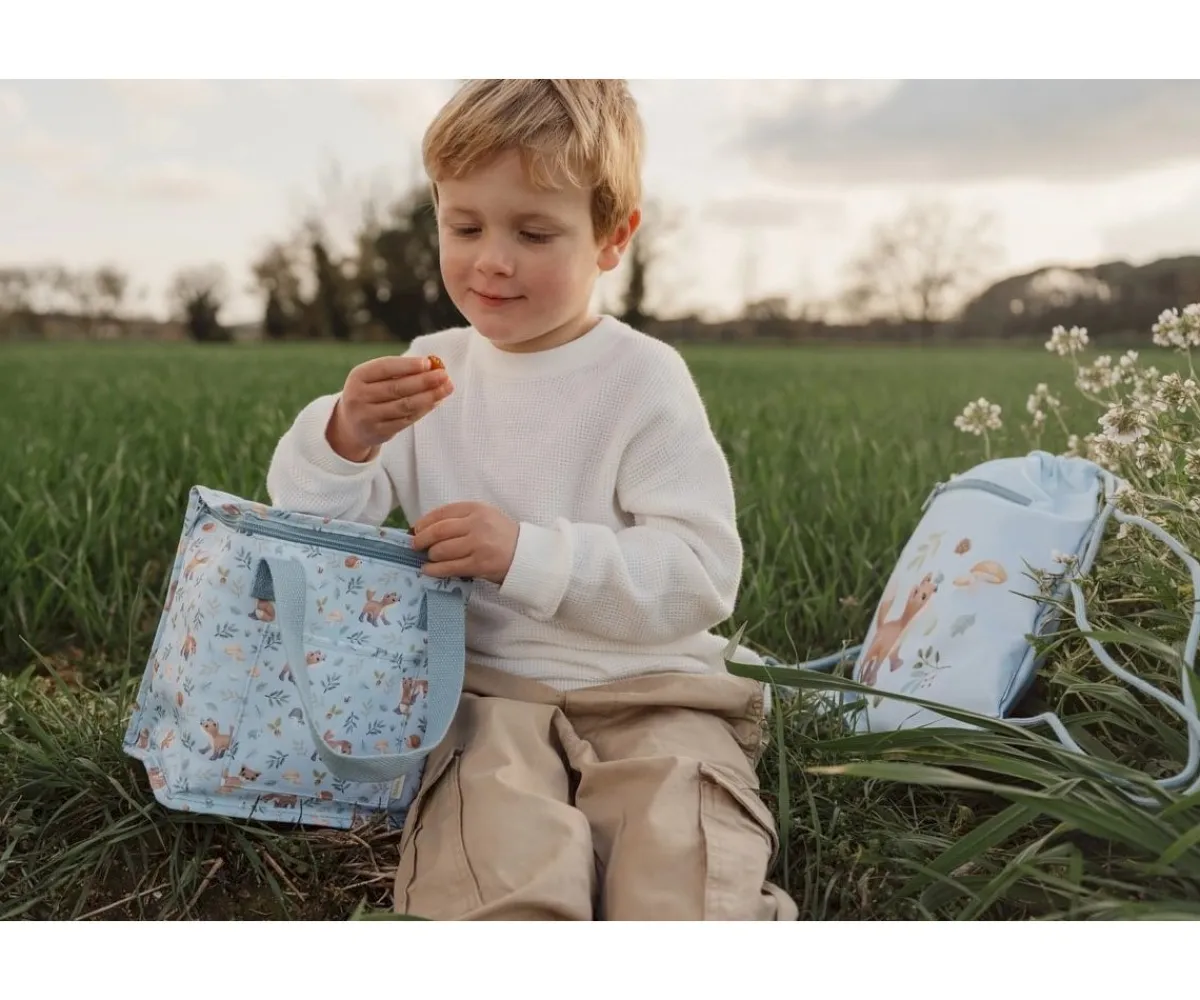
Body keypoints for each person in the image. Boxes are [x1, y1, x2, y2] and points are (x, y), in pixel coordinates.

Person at [265, 79, 797, 921]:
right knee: (495, 876)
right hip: (485, 699)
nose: (492, 260)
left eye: (535, 231)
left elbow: (699, 573)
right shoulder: (433, 369)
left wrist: (527, 553)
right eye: (464, 226)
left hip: (653, 690)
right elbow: (318, 529)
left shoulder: (640, 379)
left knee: (683, 872)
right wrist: (345, 435)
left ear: (612, 237)